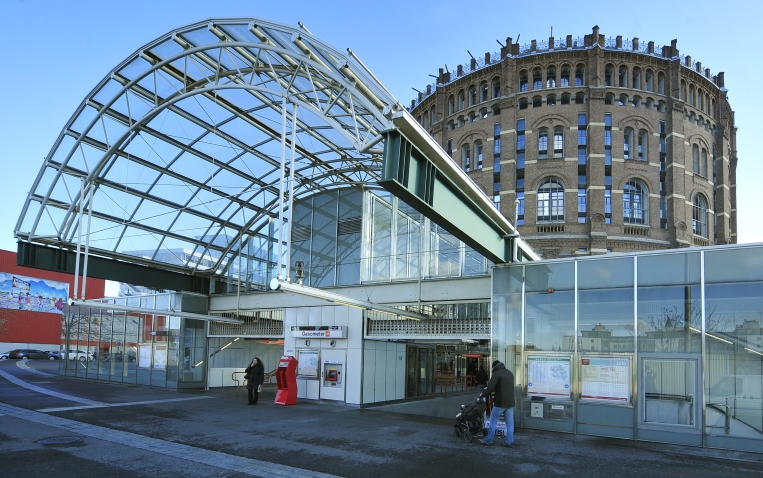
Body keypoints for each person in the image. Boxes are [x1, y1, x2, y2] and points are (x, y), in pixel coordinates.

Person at [479, 360, 515, 448]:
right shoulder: (509, 373)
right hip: (510, 402)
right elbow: (505, 387)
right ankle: (509, 441)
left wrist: (482, 395)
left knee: (493, 419)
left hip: (500, 402)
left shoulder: (497, 374)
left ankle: (488, 440)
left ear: (494, 367)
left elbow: (490, 387)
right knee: (510, 423)